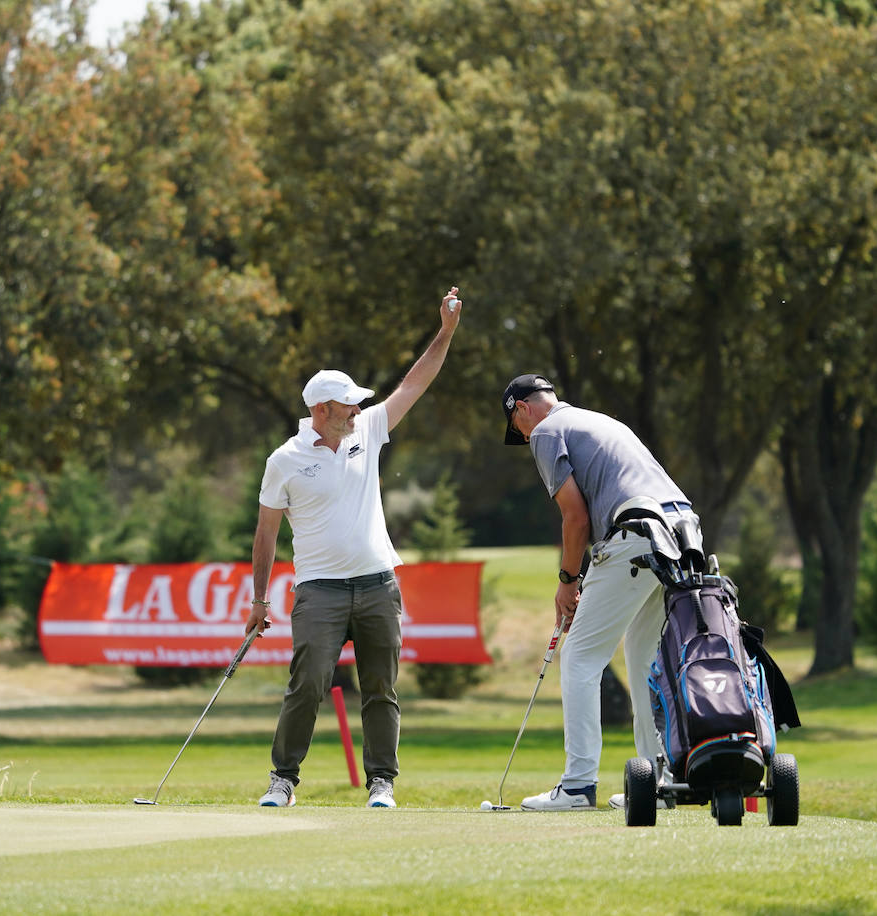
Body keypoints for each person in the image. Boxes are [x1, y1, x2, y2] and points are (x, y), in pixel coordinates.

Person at [246, 287, 463, 809]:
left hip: (377, 584)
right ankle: (283, 779)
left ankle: (381, 783)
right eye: (348, 403)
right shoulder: (285, 460)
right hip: (318, 591)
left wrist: (446, 332)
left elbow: (415, 382)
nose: (358, 407)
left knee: (380, 689)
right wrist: (259, 601)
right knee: (307, 685)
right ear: (322, 409)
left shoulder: (368, 428)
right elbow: (266, 533)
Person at [501, 373, 698, 810]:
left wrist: (568, 582)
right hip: (681, 535)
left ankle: (576, 787)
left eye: (518, 427)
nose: (523, 435)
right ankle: (658, 783)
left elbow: (576, 518)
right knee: (644, 657)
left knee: (580, 656)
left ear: (522, 409)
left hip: (637, 532)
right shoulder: (599, 421)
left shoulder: (547, 432)